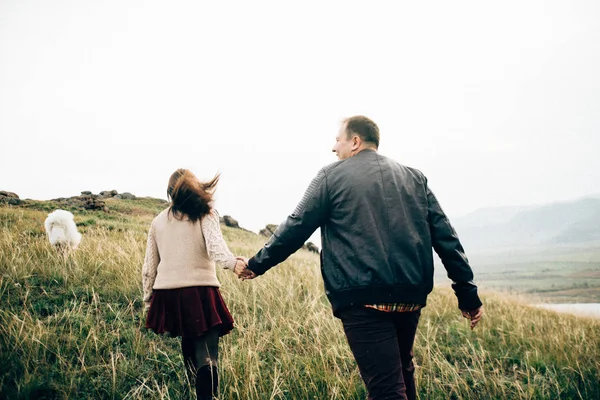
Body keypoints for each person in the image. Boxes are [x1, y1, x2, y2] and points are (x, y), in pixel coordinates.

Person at [236, 116, 483, 400]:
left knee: (386, 390)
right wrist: (468, 295)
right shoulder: (415, 178)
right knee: (401, 374)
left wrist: (256, 264)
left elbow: (296, 226)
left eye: (337, 140)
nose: (333, 147)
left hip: (362, 298)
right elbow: (446, 239)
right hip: (410, 296)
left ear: (355, 141)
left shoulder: (330, 176)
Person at [142, 168, 245, 400]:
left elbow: (149, 267)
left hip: (168, 293)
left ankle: (193, 387)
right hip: (200, 290)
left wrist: (148, 300)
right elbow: (216, 249)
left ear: (170, 193)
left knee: (188, 337)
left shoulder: (158, 221)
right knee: (208, 356)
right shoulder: (205, 213)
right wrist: (234, 263)